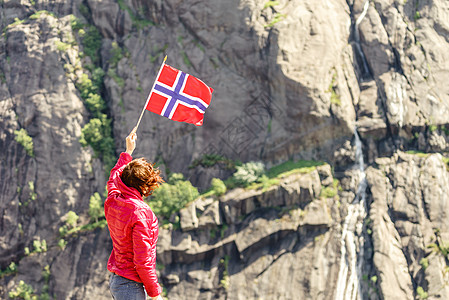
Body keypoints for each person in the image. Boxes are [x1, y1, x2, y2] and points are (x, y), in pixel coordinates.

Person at [105, 127, 164, 300]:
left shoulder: (114, 199)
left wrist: (127, 152)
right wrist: (155, 294)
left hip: (118, 281)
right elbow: (143, 261)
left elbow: (114, 177)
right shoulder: (142, 214)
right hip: (132, 286)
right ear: (144, 186)